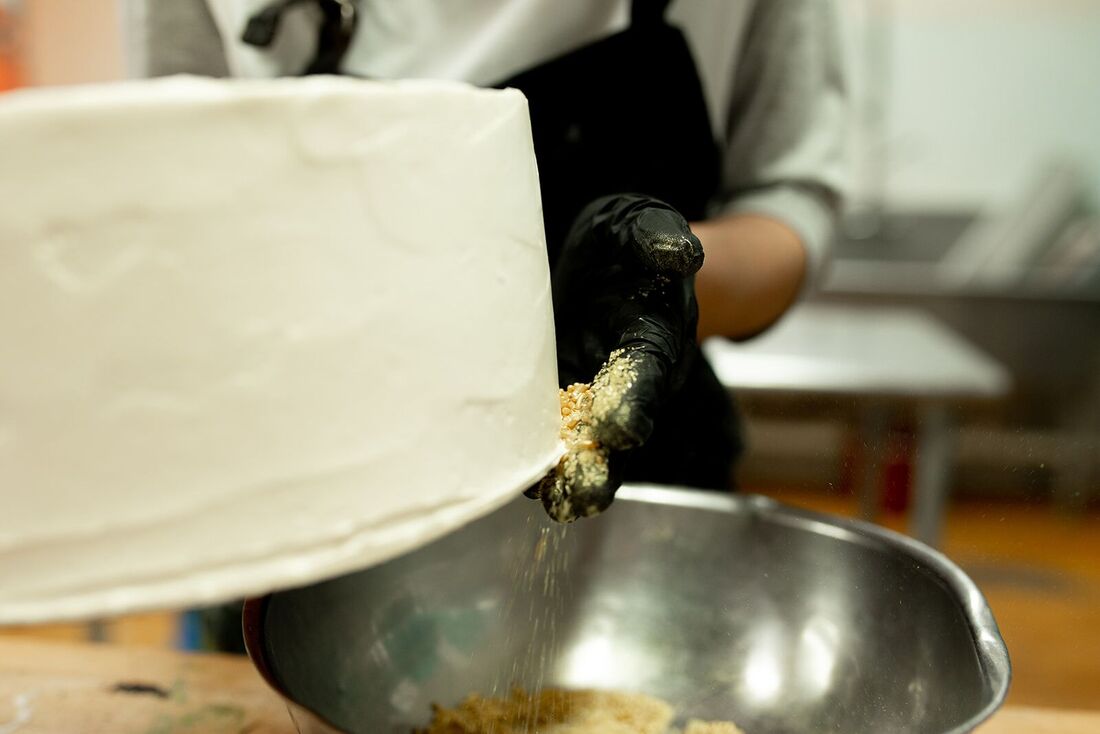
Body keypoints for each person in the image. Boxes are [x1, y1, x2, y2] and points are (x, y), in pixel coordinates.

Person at [128, 0, 845, 518]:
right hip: (313, 489)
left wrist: (653, 280)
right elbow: (180, 196)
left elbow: (788, 201)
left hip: (638, 491)